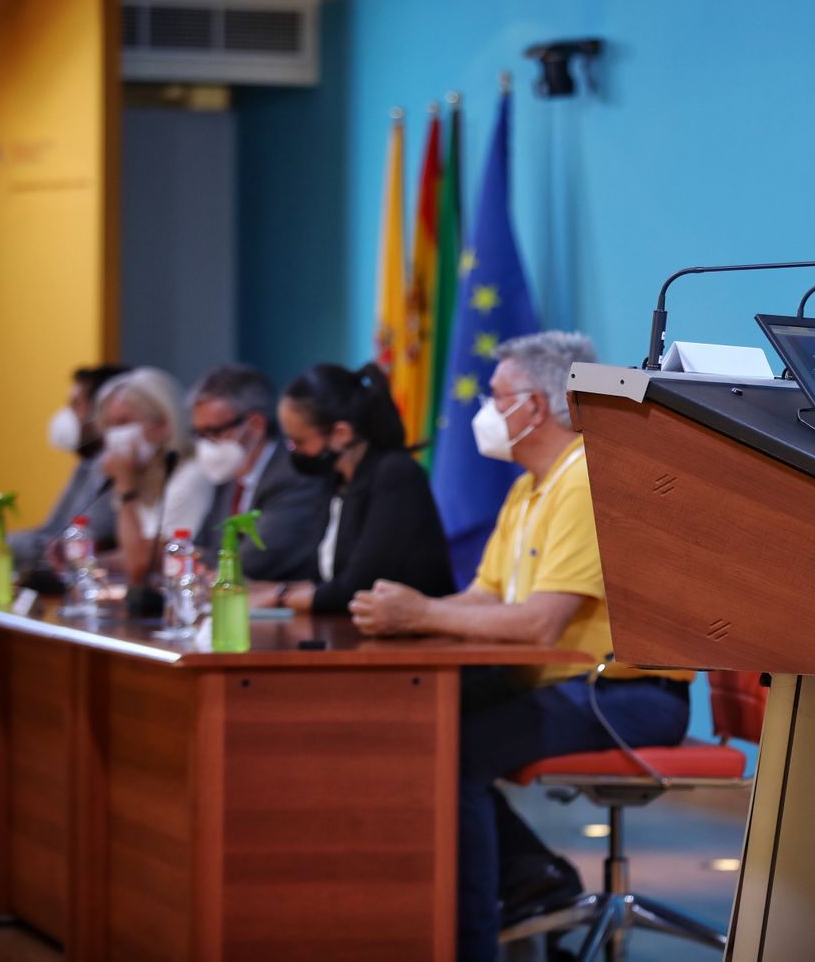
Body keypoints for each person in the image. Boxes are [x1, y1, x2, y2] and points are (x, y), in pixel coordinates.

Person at [348, 331, 694, 962]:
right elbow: (485, 597)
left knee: (457, 750)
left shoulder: (588, 478)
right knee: (408, 725)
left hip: (629, 695)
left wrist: (420, 612)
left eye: (495, 394)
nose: (484, 409)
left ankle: (473, 940)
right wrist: (400, 619)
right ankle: (529, 878)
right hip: (555, 681)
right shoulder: (530, 485)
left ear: (534, 405)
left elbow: (539, 625)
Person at [266, 362, 453, 613]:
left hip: (415, 642)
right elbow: (324, 579)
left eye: (299, 441)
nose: (293, 451)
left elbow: (358, 589)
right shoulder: (336, 481)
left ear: (341, 433)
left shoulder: (396, 475)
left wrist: (278, 597)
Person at [188, 364, 330, 582]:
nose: (206, 444)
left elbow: (253, 561)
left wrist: (205, 563)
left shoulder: (295, 474)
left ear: (255, 426)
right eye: (199, 433)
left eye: (214, 432)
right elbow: (197, 550)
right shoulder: (228, 476)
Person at [9, 363, 131, 573]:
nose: (68, 415)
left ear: (101, 410)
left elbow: (73, 546)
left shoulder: (122, 473)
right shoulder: (88, 466)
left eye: (75, 405)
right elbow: (51, 532)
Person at [96, 367, 211, 586]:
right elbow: (134, 551)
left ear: (162, 425)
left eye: (123, 423)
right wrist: (86, 561)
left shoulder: (191, 476)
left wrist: (124, 487)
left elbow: (140, 565)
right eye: (108, 426)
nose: (114, 436)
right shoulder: (144, 478)